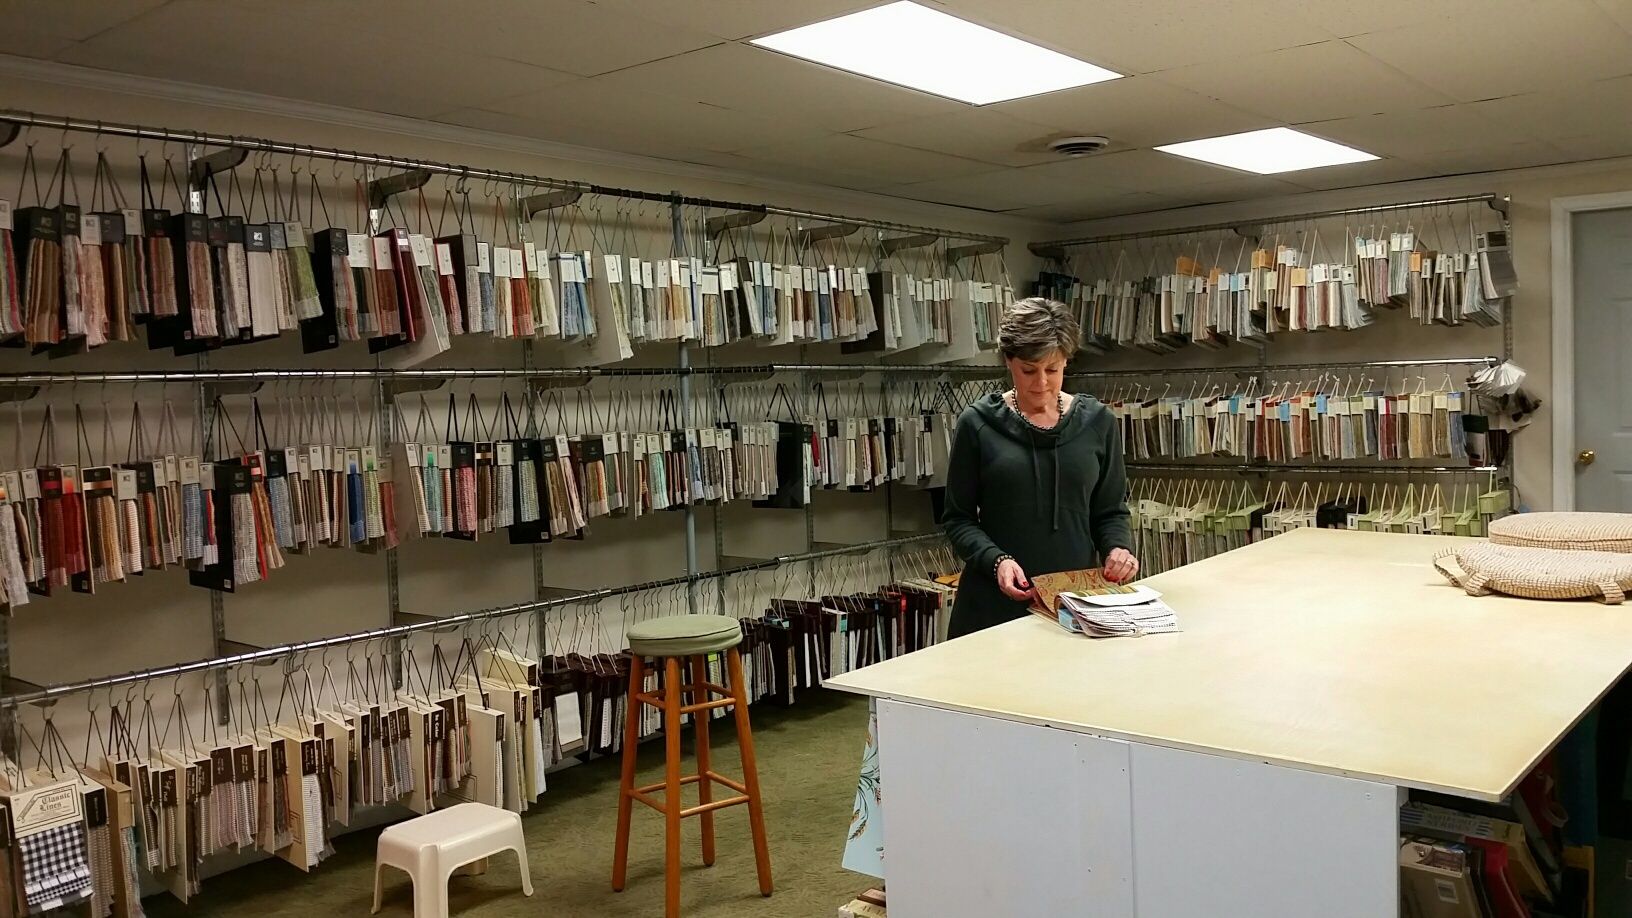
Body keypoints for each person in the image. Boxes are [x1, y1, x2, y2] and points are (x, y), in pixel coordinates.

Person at [942, 297, 1138, 637]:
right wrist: (996, 561)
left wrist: (1118, 548)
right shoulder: (978, 424)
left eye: (1054, 369)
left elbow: (1110, 511)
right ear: (1008, 361)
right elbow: (957, 519)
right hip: (991, 610)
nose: (1042, 383)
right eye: (1028, 370)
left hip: (1074, 607)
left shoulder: (1098, 423)